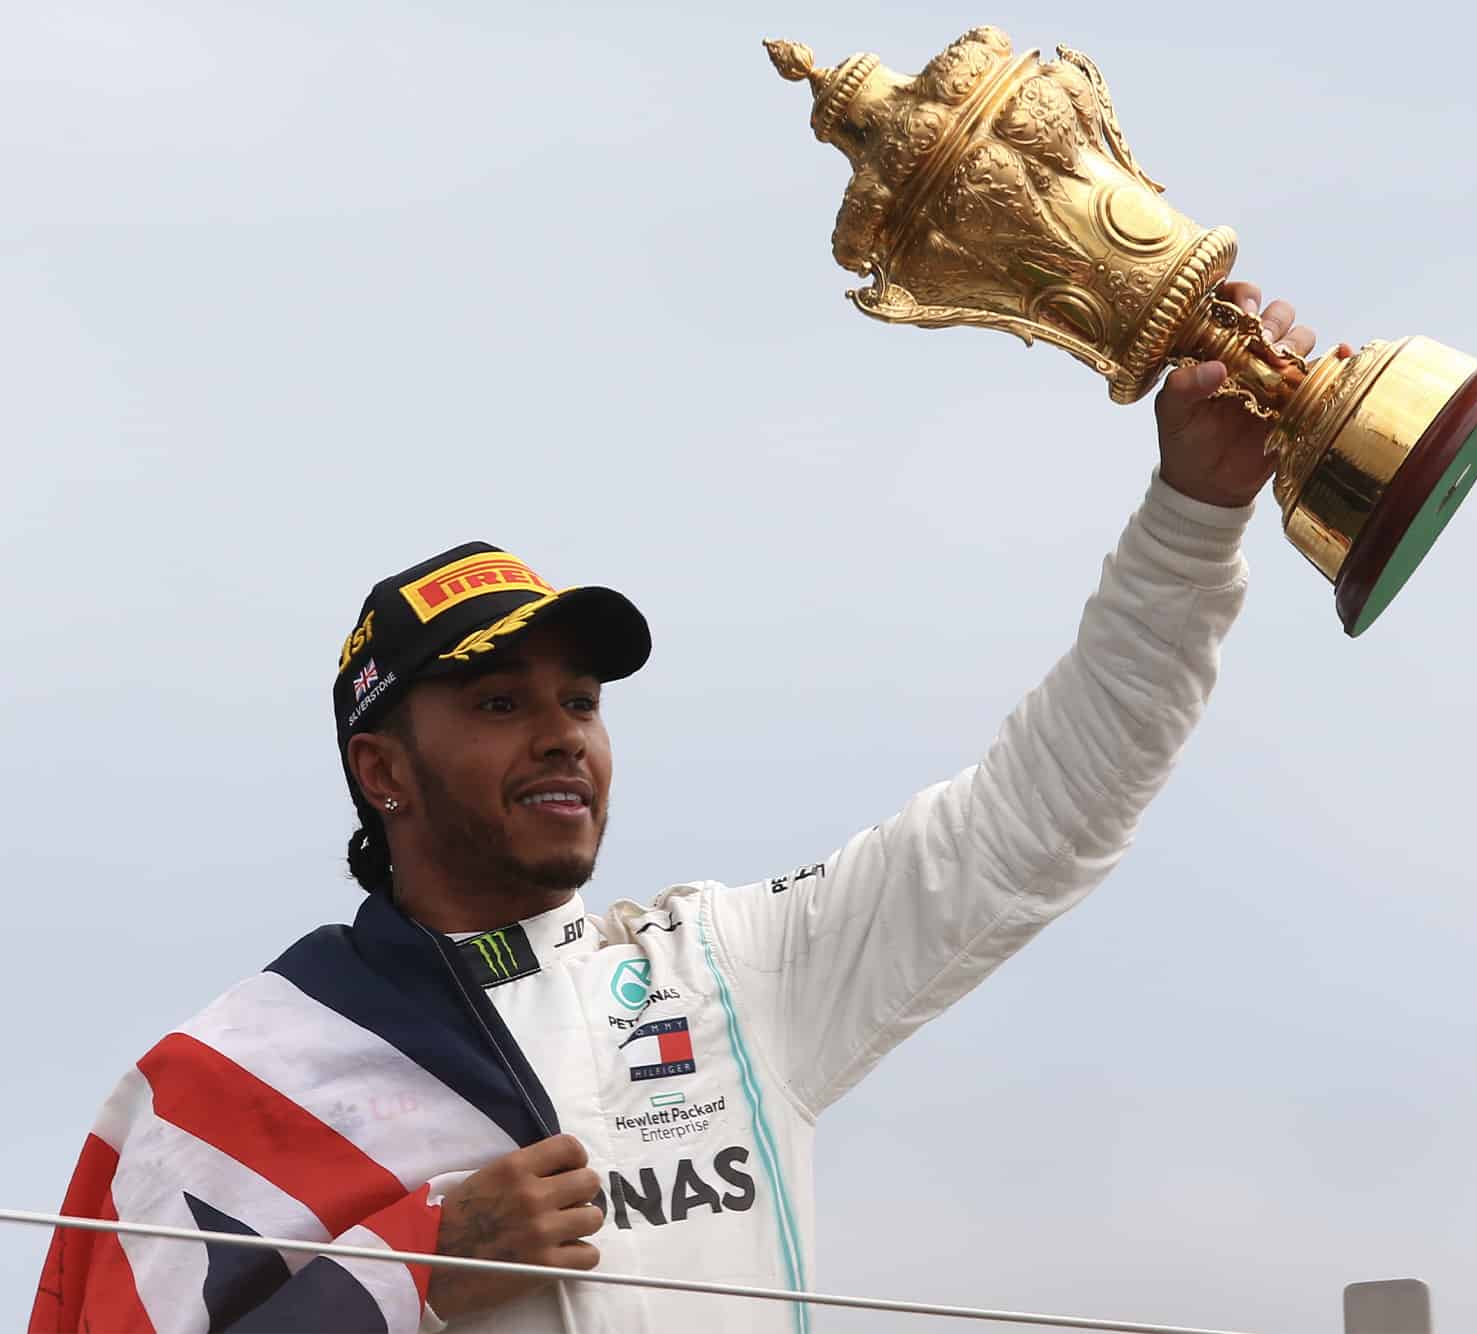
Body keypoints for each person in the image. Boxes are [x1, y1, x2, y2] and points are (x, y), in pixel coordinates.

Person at [32, 284, 1315, 1334]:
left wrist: (1194, 516)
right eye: (495, 704)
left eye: (580, 698)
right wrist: (418, 1264)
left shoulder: (729, 971)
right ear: (383, 771)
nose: (560, 734)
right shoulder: (233, 1077)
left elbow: (1045, 813)